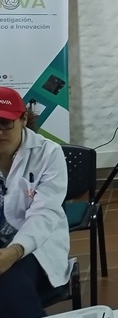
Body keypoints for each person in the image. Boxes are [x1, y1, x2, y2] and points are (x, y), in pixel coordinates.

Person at [0, 87, 70, 318]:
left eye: (4, 123)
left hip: (36, 245)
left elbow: (44, 213)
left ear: (23, 119)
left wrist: (13, 251)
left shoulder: (48, 154)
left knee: (8, 283)